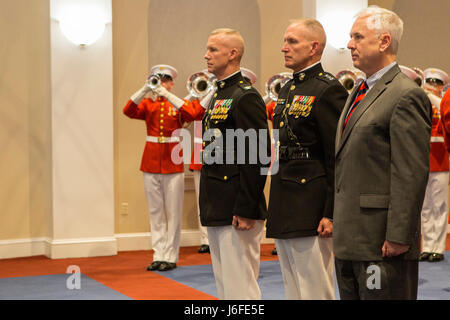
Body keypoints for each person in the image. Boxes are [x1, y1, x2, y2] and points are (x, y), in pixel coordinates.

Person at [333, 7, 432, 300]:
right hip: (351, 238)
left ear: (384, 41)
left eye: (358, 37)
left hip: (382, 241)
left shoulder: (405, 93)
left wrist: (400, 235)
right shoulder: (359, 89)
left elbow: (410, 172)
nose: (350, 44)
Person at [265, 19, 348, 300]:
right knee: (292, 287)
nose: (283, 48)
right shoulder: (287, 89)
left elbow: (336, 155)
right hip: (285, 197)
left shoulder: (328, 89)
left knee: (314, 288)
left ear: (314, 47)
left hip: (311, 202)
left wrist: (331, 211)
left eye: (292, 42)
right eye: (285, 41)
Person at [199, 28, 270, 300]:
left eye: (213, 50)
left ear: (233, 54)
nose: (206, 55)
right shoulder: (220, 94)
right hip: (218, 201)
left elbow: (256, 155)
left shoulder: (244, 95)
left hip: (236, 206)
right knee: (226, 286)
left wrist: (246, 207)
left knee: (241, 287)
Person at [123, 64, 196, 272]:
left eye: (165, 80)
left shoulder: (178, 104)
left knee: (173, 212)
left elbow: (191, 113)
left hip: (173, 163)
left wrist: (166, 94)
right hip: (151, 161)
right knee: (155, 212)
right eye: (158, 79)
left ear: (171, 83)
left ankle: (171, 256)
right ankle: (158, 254)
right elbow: (128, 110)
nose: (161, 83)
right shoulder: (148, 104)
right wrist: (146, 88)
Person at [420, 68, 450, 263]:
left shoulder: (442, 103)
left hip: (441, 161)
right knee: (425, 207)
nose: (433, 87)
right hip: (423, 160)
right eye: (430, 83)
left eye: (436, 84)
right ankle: (427, 246)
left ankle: (438, 248)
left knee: (439, 206)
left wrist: (431, 97)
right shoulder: (424, 104)